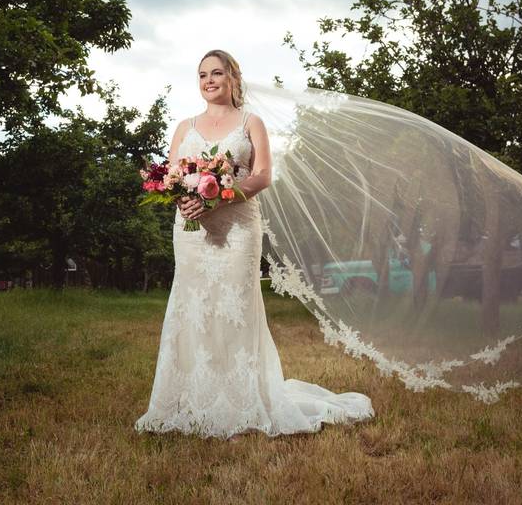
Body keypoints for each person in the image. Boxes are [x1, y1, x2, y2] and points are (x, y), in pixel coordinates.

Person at [134, 49, 374, 440]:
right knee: (193, 306)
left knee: (234, 309)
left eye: (216, 73)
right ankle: (189, 398)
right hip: (190, 229)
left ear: (232, 78)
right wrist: (186, 199)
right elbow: (170, 176)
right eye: (202, 75)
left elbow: (262, 175)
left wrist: (217, 197)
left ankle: (241, 400)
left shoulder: (250, 122)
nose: (208, 80)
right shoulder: (184, 126)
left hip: (237, 228)